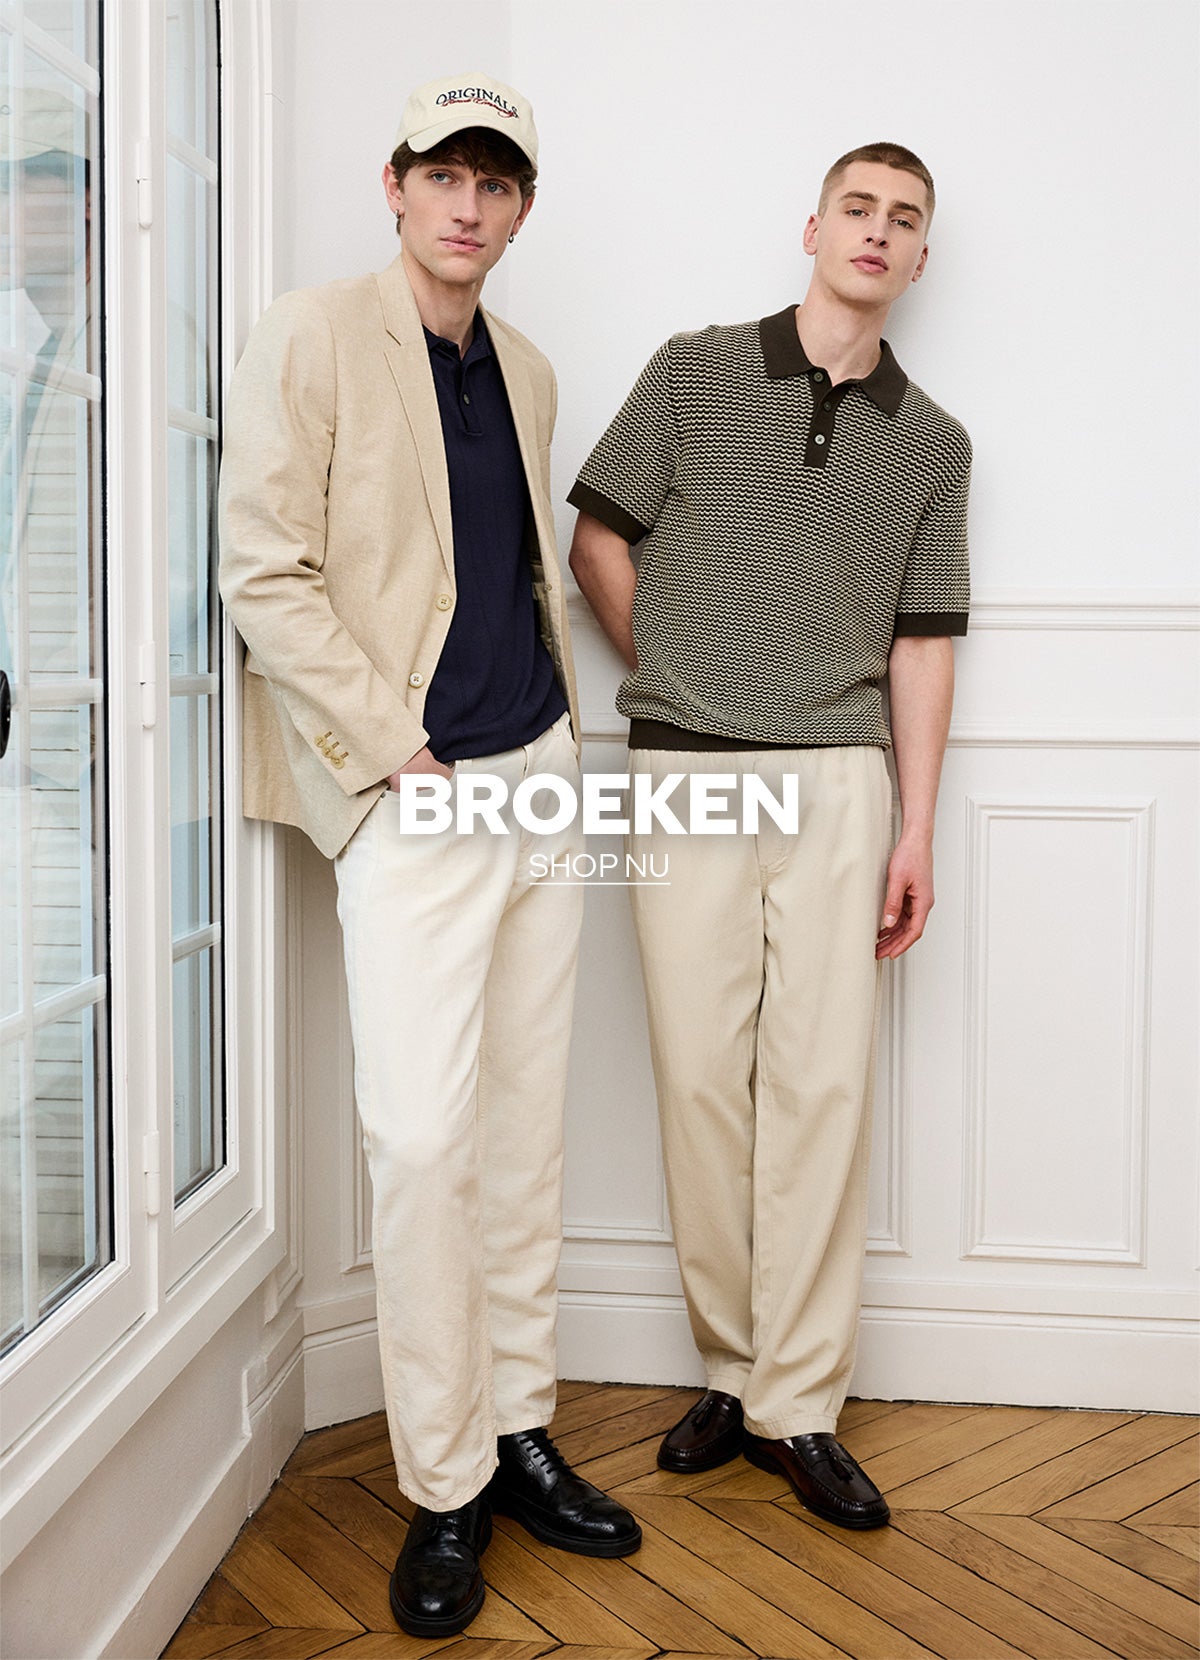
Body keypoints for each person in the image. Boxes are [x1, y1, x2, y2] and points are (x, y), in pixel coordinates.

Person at [219, 73, 640, 1640]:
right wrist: (393, 748)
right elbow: (264, 568)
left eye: (496, 182)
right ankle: (445, 1481)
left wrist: (558, 751)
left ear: (521, 210)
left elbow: (514, 571)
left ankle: (518, 1427)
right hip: (415, 792)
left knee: (522, 1134)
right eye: (444, 174)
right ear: (394, 186)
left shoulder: (526, 367)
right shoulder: (313, 334)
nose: (469, 204)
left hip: (537, 774)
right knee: (420, 1145)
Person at [567, 142, 970, 1531]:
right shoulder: (695, 370)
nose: (877, 232)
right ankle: (733, 1373)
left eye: (904, 220)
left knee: (821, 1088)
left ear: (921, 258)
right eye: (858, 207)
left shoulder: (933, 443)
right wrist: (676, 670)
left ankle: (798, 1401)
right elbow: (597, 537)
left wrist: (918, 829)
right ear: (813, 226)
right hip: (686, 770)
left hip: (842, 785)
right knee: (699, 1082)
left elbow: (924, 643)